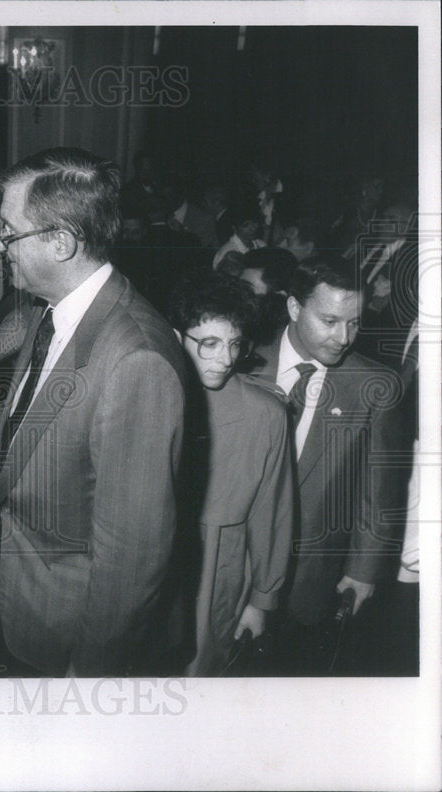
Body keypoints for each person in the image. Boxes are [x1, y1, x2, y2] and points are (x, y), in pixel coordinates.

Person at [0, 148, 188, 676]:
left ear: (61, 243)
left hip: (75, 635)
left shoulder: (136, 361)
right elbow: (35, 415)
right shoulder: (53, 310)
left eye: (8, 232)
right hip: (30, 604)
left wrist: (90, 679)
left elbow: (131, 560)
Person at [246, 256, 406, 673]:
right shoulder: (242, 361)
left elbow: (380, 491)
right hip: (237, 567)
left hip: (314, 578)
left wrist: (363, 571)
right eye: (330, 321)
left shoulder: (375, 387)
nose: (343, 338)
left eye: (354, 323)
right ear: (294, 307)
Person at [169, 271, 294, 675]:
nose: (225, 359)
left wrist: (261, 600)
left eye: (234, 344)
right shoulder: (150, 396)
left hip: (220, 572)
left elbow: (272, 512)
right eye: (209, 343)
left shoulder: (266, 414)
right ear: (177, 337)